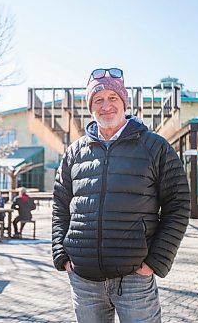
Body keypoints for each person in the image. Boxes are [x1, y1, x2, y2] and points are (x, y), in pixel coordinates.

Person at [52, 68, 190, 322]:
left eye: (112, 98)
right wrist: (62, 254)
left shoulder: (155, 147)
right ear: (90, 106)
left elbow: (179, 205)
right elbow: (60, 205)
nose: (106, 106)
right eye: (98, 99)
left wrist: (155, 262)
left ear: (124, 102)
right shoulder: (74, 152)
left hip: (134, 279)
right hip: (84, 280)